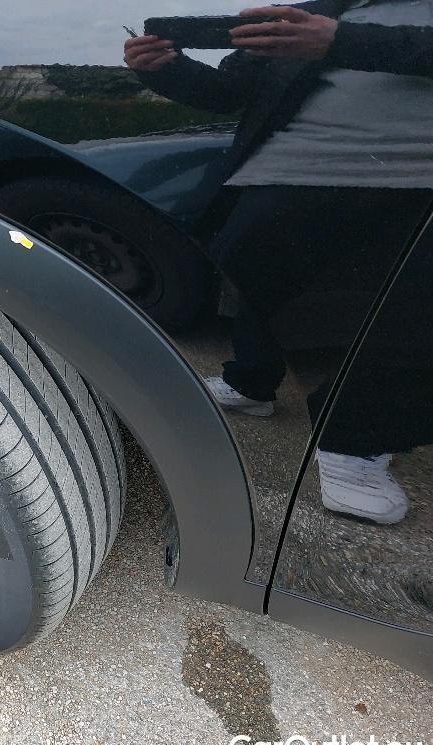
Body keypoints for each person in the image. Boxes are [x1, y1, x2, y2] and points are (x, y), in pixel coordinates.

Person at [125, 1, 433, 522]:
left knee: (408, 316)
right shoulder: (313, 12)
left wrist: (339, 42)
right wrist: (164, 69)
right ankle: (251, 382)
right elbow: (230, 90)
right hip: (285, 170)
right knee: (255, 277)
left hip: (412, 181)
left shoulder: (333, 25)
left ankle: (355, 441)